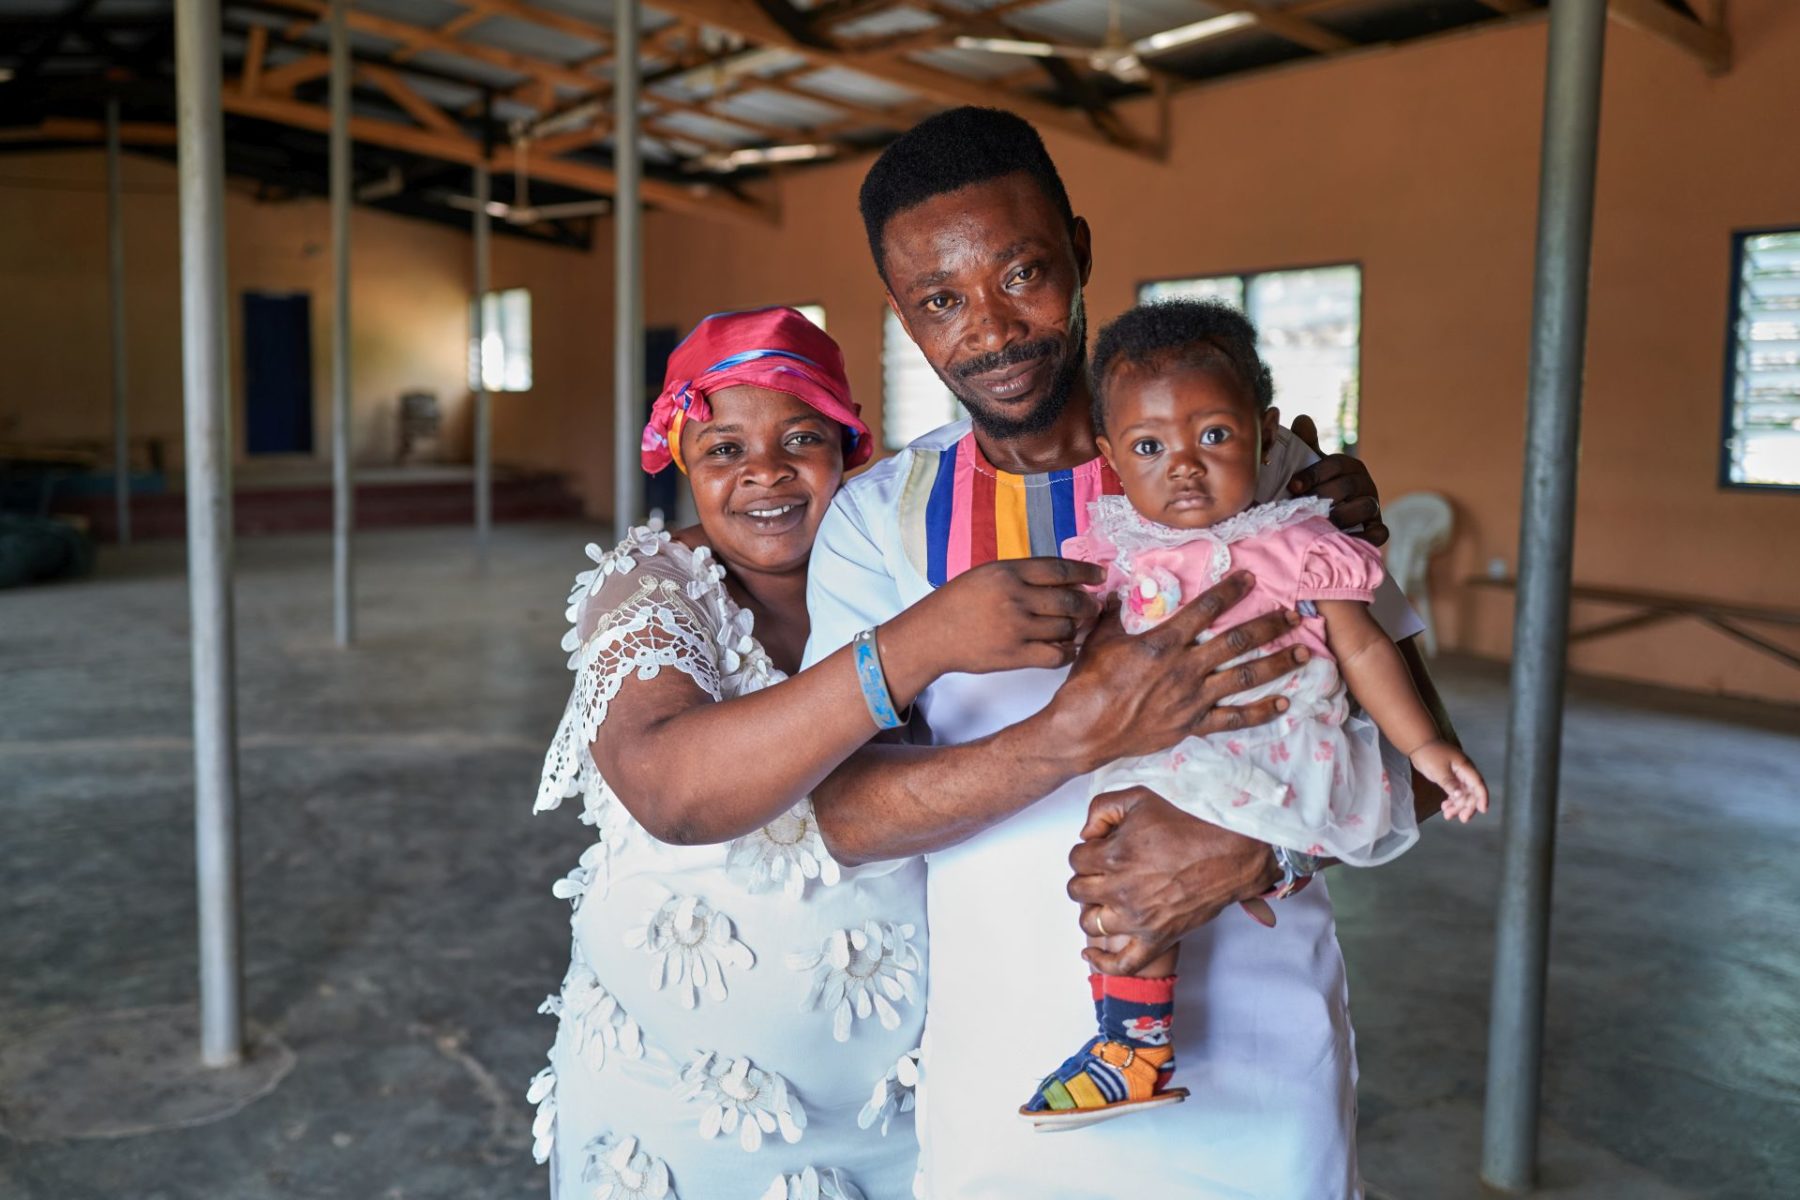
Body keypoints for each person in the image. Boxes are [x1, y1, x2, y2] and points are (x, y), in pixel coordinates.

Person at [802, 107, 1457, 1195]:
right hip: (1005, 1064)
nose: (994, 328)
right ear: (905, 318)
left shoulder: (1258, 472)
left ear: (1084, 252)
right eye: (941, 302)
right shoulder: (883, 518)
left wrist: (1270, 851)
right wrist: (1071, 735)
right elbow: (848, 817)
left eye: (1024, 273)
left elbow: (1425, 762)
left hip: (1261, 1052)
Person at [526, 307, 1112, 1199]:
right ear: (682, 460)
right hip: (682, 1105)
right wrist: (917, 645)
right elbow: (673, 789)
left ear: (851, 451)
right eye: (723, 449)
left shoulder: (908, 555)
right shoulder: (651, 585)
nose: (765, 472)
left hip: (907, 1098)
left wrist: (1283, 502)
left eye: (801, 438)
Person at [1018, 299, 1488, 1130]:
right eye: (1151, 447)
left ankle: (1132, 1044)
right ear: (1110, 458)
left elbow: (1367, 649)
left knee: (1126, 853)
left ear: (1264, 437)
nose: (1185, 467)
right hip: (1175, 746)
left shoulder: (1299, 539)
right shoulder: (1116, 549)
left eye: (1215, 437)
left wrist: (1424, 749)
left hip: (1272, 749)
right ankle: (1130, 1034)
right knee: (1107, 840)